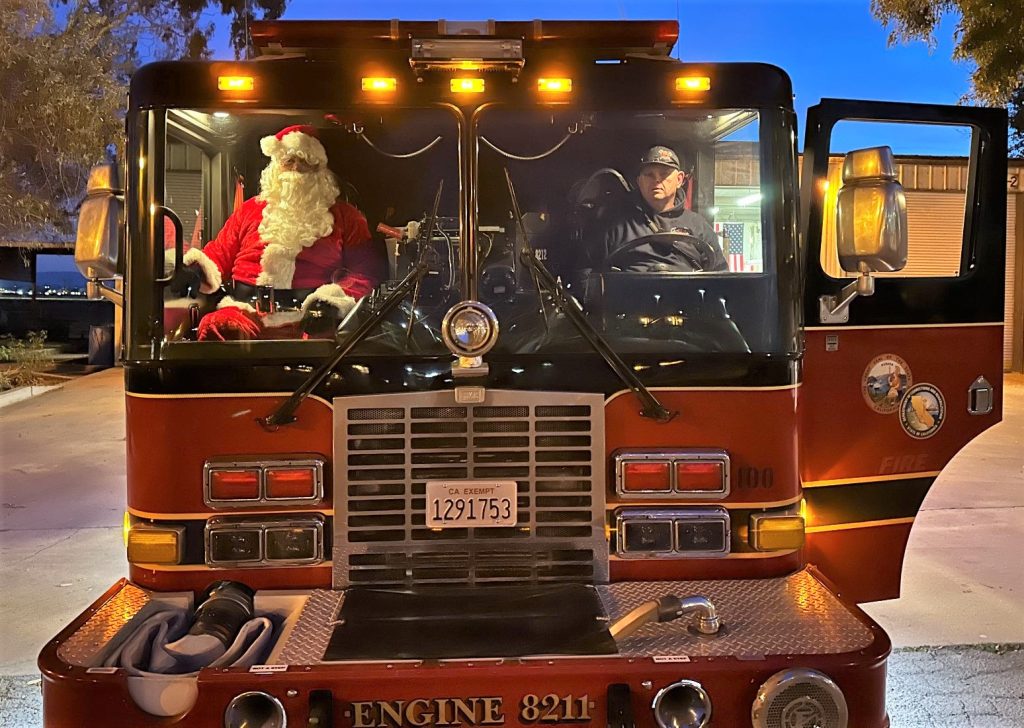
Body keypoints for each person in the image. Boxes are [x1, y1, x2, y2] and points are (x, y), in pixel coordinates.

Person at [177, 124, 382, 340]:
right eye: (289, 161)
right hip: (247, 311)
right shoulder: (249, 210)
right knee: (218, 328)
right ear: (276, 167)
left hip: (312, 318)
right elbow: (220, 253)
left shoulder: (346, 217)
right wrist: (197, 270)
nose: (296, 169)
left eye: (305, 162)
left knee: (331, 342)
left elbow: (364, 273)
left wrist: (331, 303)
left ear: (320, 169)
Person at [591, 145, 727, 273]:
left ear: (679, 179)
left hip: (687, 291)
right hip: (630, 290)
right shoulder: (614, 224)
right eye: (649, 175)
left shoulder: (699, 226)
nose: (657, 180)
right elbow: (590, 272)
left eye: (664, 174)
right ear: (639, 181)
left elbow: (720, 275)